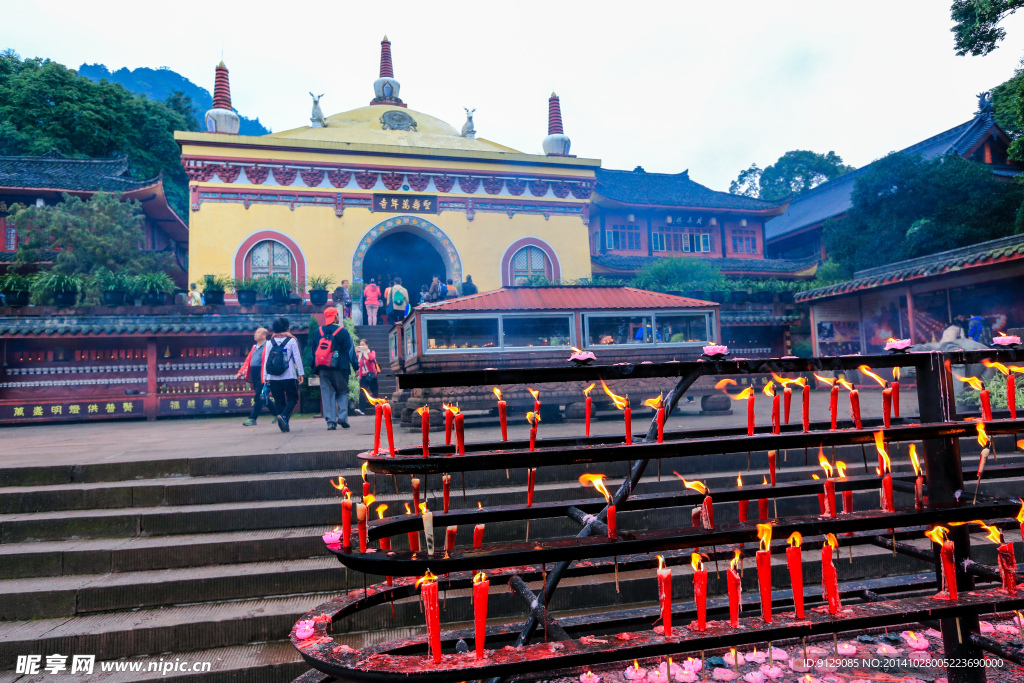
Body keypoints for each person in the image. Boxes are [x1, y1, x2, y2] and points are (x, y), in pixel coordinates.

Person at [310, 307, 357, 430]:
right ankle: (342, 417)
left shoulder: (318, 331)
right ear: (335, 316)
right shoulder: (342, 331)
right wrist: (356, 367)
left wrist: (315, 369)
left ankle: (330, 422)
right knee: (343, 391)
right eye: (338, 315)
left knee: (327, 394)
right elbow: (350, 351)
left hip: (322, 368)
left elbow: (313, 352)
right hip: (340, 368)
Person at [262, 317, 305, 432]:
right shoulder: (291, 341)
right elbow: (297, 358)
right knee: (293, 398)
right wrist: (300, 373)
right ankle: (285, 416)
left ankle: (284, 427)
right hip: (289, 375)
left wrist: (265, 377)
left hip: (273, 377)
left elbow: (266, 360)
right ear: (287, 328)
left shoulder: (270, 342)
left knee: (279, 400)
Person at [236, 327, 269, 426]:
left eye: (258, 332)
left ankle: (252, 418)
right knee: (263, 396)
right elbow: (248, 361)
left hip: (263, 373)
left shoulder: (268, 345)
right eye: (255, 332)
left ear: (264, 335)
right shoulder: (254, 347)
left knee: (259, 396)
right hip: (254, 373)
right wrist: (241, 372)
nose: (255, 334)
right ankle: (277, 414)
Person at [356, 338, 379, 412]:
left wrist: (366, 351)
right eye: (361, 345)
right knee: (362, 392)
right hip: (363, 375)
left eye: (363, 345)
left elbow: (372, 358)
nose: (362, 346)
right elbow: (355, 361)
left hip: (371, 375)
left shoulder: (372, 351)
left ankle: (377, 406)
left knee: (374, 391)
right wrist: (356, 351)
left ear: (367, 345)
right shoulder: (359, 354)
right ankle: (361, 409)